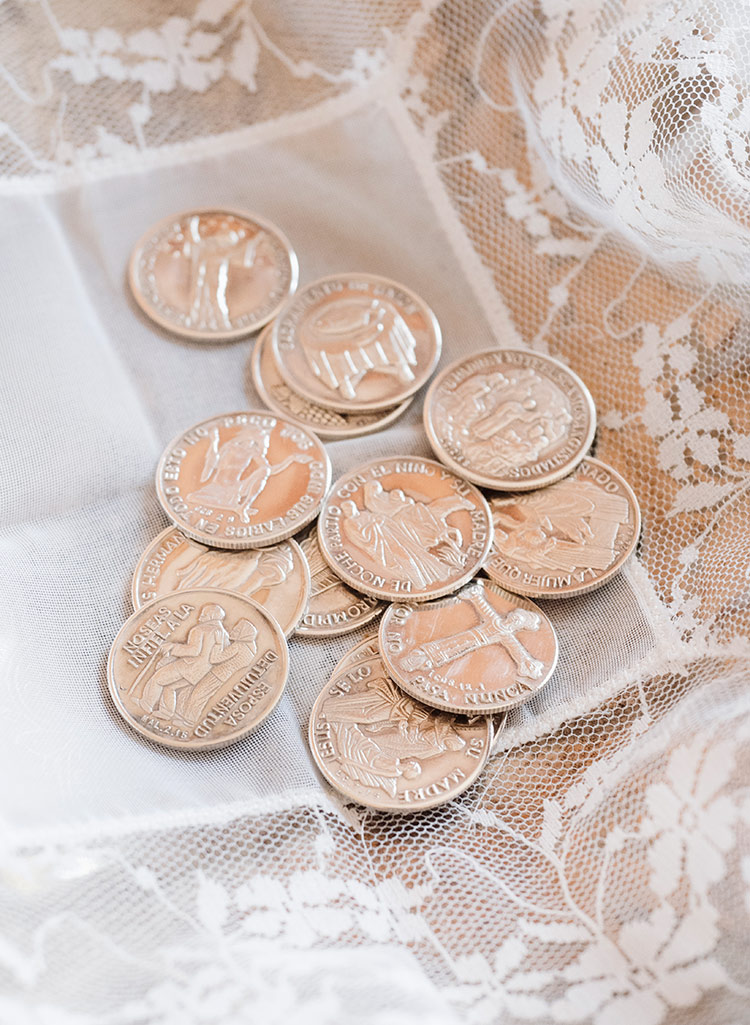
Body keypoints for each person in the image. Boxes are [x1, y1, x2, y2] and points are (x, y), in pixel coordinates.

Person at [133, 604, 229, 722]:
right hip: (201, 671)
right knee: (170, 687)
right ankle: (166, 713)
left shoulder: (199, 629)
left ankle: (145, 705)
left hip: (187, 665)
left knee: (157, 679)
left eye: (204, 614)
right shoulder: (224, 634)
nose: (200, 617)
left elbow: (193, 650)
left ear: (211, 616)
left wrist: (172, 647)